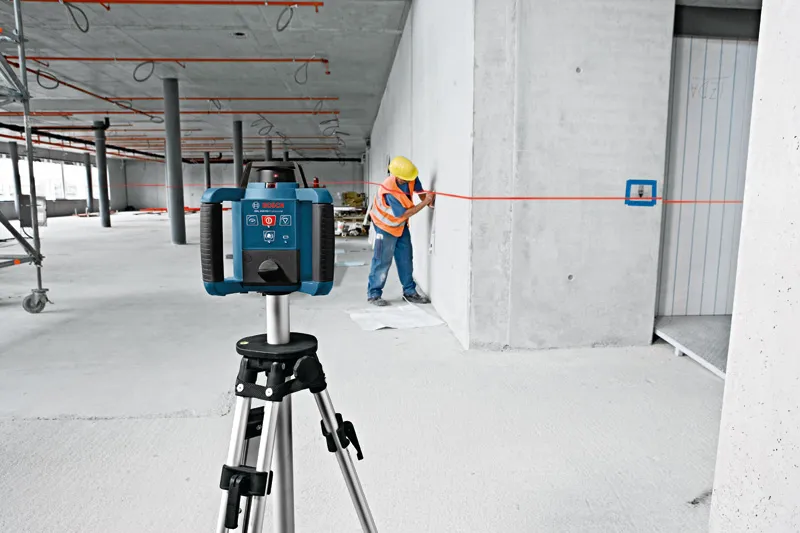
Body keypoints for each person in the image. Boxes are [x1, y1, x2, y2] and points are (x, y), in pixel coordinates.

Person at [367, 156, 434, 306]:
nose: (408, 181)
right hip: (384, 227)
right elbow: (405, 213)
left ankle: (409, 292)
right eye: (404, 179)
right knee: (382, 261)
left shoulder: (410, 177)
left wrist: (428, 200)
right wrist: (425, 202)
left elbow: (419, 190)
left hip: (399, 226)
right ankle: (374, 294)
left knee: (405, 258)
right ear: (396, 176)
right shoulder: (390, 191)